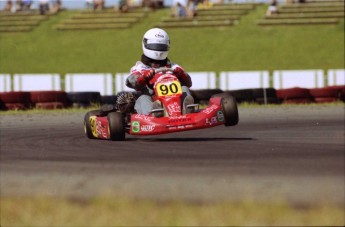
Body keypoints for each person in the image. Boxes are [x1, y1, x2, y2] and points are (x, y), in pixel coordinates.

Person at [125, 28, 194, 117]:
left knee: (184, 88)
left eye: (160, 47)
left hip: (175, 99)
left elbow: (189, 83)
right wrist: (143, 77)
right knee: (143, 98)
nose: (158, 50)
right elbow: (130, 82)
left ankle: (187, 109)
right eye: (155, 46)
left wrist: (182, 74)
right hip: (153, 98)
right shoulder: (140, 67)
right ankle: (153, 113)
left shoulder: (172, 66)